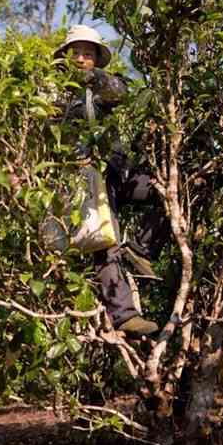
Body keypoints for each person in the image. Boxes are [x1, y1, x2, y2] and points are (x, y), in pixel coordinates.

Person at [52, 25, 169, 337]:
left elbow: (121, 91)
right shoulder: (54, 90)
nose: (80, 58)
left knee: (164, 192)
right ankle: (124, 316)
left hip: (117, 170)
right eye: (75, 52)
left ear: (95, 59)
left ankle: (141, 249)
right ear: (65, 56)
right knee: (106, 243)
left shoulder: (102, 85)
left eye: (87, 53)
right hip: (88, 178)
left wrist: (94, 79)